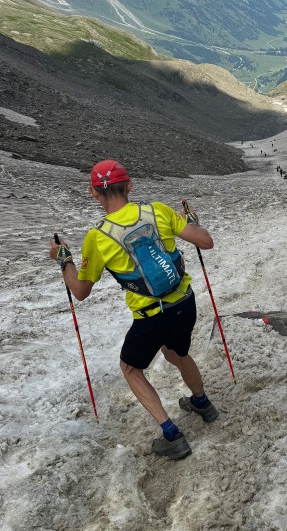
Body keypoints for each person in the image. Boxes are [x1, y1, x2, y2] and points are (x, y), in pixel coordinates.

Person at [49, 159, 218, 461]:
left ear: (93, 193)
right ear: (129, 185)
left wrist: (65, 260)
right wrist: (191, 221)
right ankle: (202, 404)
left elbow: (80, 291)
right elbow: (205, 241)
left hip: (151, 317)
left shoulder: (97, 237)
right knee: (177, 352)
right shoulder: (158, 210)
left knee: (130, 369)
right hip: (185, 302)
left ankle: (172, 436)